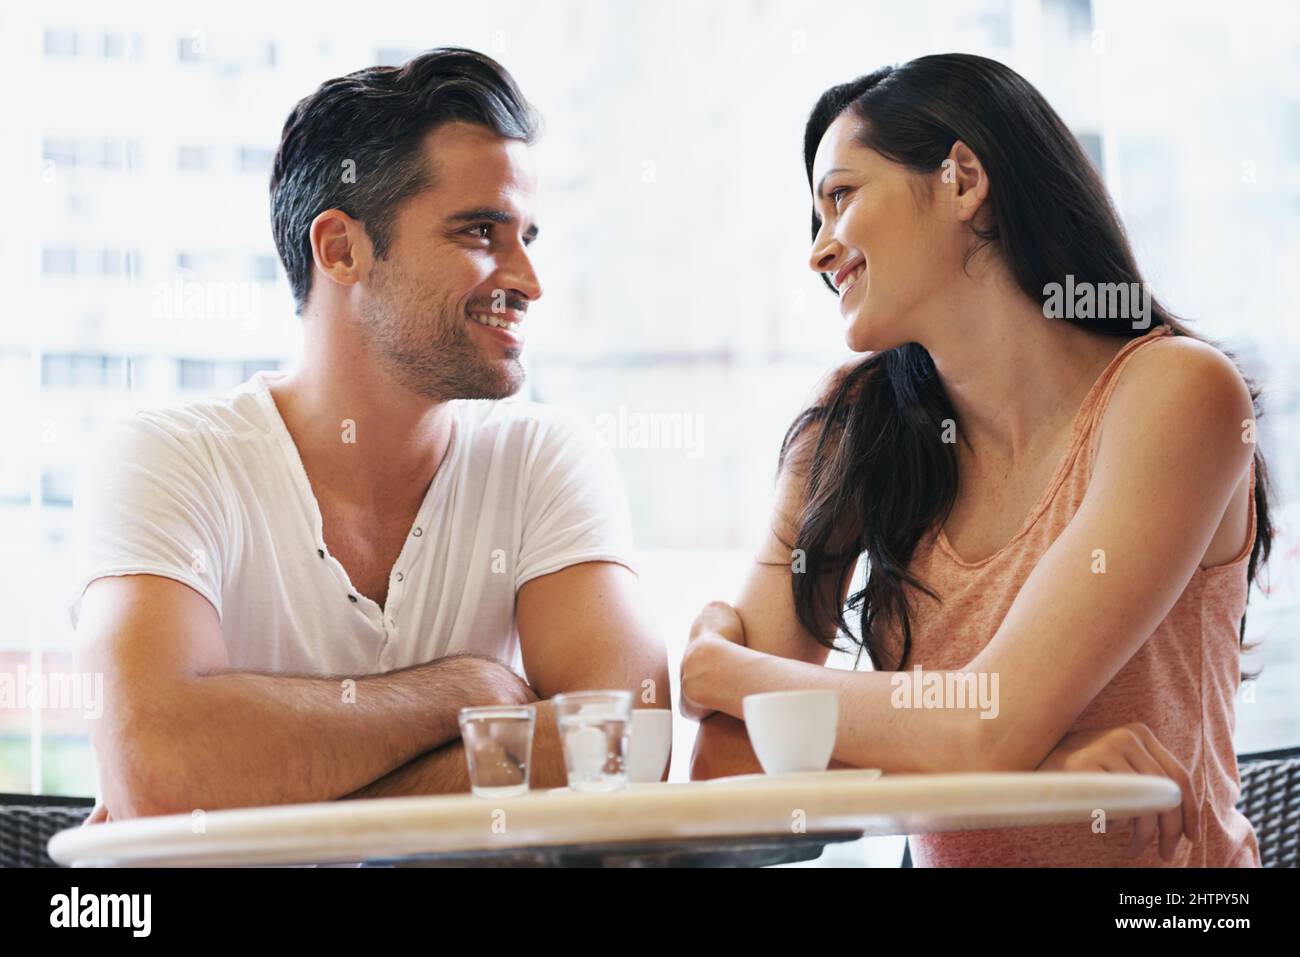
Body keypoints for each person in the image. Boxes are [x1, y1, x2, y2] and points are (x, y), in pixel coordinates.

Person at [682, 53, 1269, 867]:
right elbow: (729, 766)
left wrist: (717, 667)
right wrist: (1043, 766)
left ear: (962, 179)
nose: (819, 250)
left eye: (841, 197)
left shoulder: (1176, 396)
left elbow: (984, 725)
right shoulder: (853, 429)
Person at [71, 48, 668, 822]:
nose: (528, 278)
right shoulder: (169, 462)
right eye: (482, 232)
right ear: (341, 249)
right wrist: (470, 694)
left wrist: (266, 795)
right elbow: (159, 766)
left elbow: (626, 747)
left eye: (528, 236)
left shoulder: (540, 460)